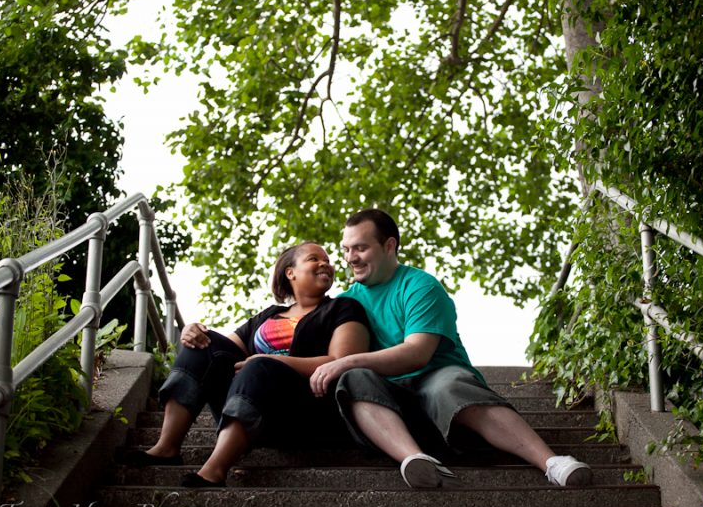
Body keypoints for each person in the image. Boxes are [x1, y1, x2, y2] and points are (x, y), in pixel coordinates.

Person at [308, 209, 593, 489]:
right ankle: (415, 460)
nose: (349, 258)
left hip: (441, 386)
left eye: (360, 248)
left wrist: (345, 361)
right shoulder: (346, 302)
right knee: (354, 379)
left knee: (446, 385)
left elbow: (417, 353)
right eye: (346, 249)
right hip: (394, 405)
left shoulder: (419, 285)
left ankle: (551, 463)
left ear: (389, 245)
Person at [123, 242, 370, 487]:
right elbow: (219, 351)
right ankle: (167, 447)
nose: (325, 263)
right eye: (314, 258)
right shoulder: (268, 316)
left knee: (259, 367)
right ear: (290, 272)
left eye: (327, 260)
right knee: (202, 345)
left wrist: (272, 360)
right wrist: (192, 331)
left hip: (305, 412)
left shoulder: (342, 308)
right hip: (252, 406)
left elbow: (342, 362)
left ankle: (215, 469)